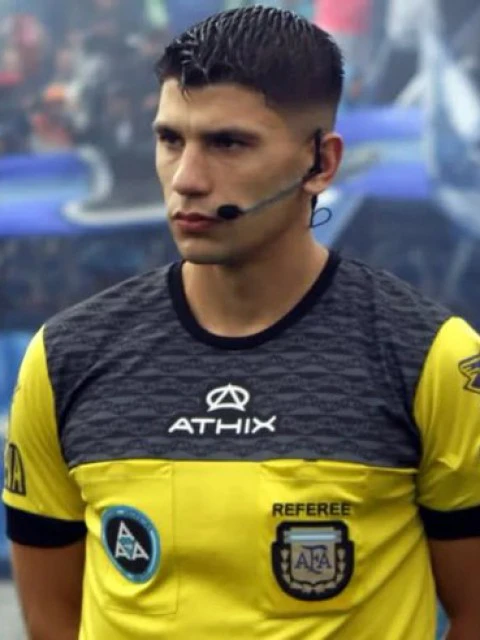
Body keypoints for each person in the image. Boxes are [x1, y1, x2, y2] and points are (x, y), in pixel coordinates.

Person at [2, 6, 480, 639]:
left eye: (228, 143)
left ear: (321, 162)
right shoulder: (66, 358)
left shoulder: (430, 357)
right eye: (170, 140)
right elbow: (51, 619)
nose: (187, 179)